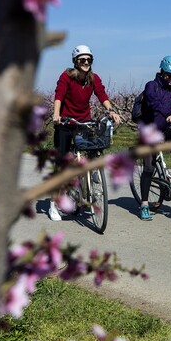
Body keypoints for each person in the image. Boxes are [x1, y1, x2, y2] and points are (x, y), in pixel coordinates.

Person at [48, 44, 122, 221]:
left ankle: (85, 186)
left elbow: (102, 95)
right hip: (66, 122)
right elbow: (59, 95)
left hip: (84, 121)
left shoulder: (93, 78)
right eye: (82, 60)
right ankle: (53, 204)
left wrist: (111, 110)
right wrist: (56, 114)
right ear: (75, 62)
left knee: (90, 153)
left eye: (89, 60)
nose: (86, 62)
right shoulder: (67, 76)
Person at [137, 55, 171, 221]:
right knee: (148, 168)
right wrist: (167, 114)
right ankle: (144, 205)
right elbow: (153, 103)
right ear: (162, 72)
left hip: (164, 130)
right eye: (169, 75)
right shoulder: (151, 86)